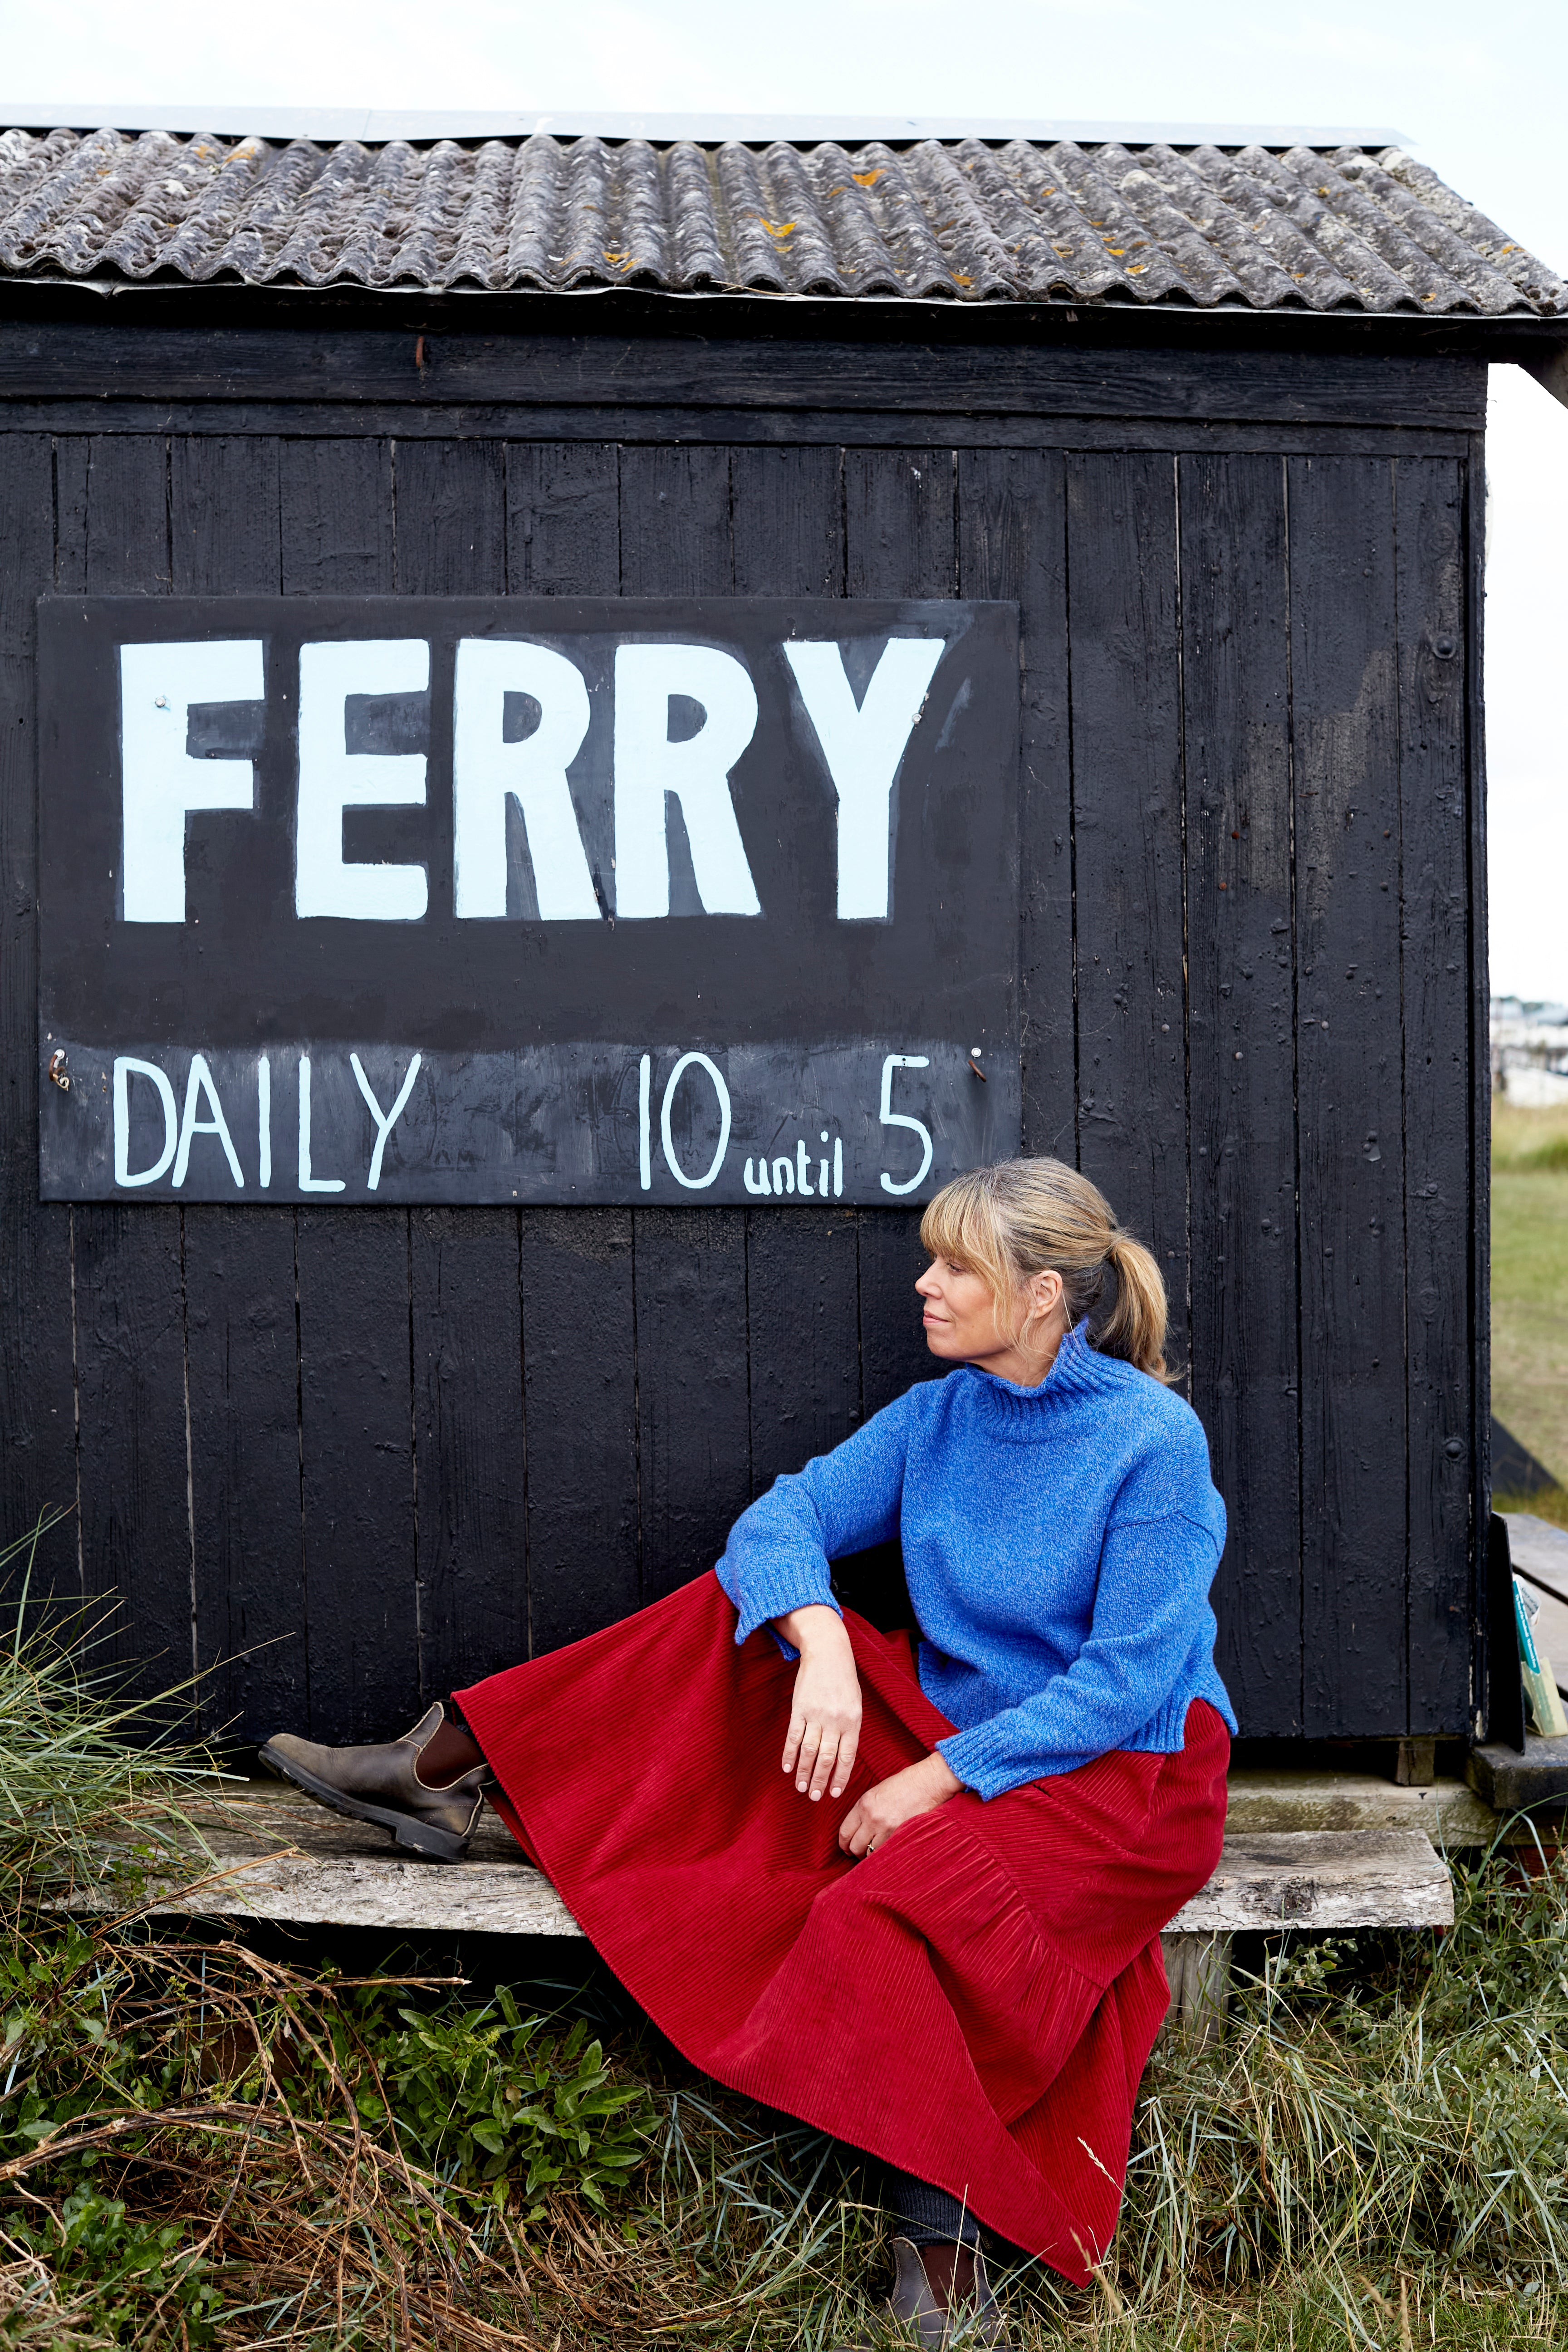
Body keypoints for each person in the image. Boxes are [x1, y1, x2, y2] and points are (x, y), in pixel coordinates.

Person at [262, 1158, 1235, 2347]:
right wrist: (820, 1641)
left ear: (1040, 1296)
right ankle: (453, 1763)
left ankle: (942, 2233)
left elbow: (1128, 1680)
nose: (924, 1286)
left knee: (895, 1907)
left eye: (954, 1268)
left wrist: (935, 1782)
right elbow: (781, 1522)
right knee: (740, 1616)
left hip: (1121, 1775)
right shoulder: (941, 1416)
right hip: (960, 1726)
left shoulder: (1153, 1442)